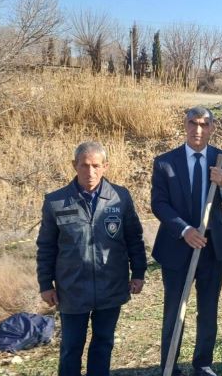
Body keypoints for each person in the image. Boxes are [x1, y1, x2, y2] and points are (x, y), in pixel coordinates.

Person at [36, 141, 147, 376]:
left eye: (96, 165)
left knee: (103, 344)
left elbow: (134, 239)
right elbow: (46, 247)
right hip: (72, 289)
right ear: (74, 165)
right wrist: (45, 284)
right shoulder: (56, 201)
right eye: (84, 165)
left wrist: (138, 273)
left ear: (105, 166)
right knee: (71, 348)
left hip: (111, 286)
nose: (90, 171)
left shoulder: (120, 197)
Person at [151, 107, 222, 376]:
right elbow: (159, 204)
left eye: (203, 124)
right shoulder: (165, 162)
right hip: (177, 246)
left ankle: (203, 363)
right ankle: (169, 366)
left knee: (208, 307)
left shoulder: (221, 159)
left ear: (212, 128)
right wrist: (185, 230)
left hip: (212, 247)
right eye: (192, 123)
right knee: (174, 308)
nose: (197, 129)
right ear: (185, 125)